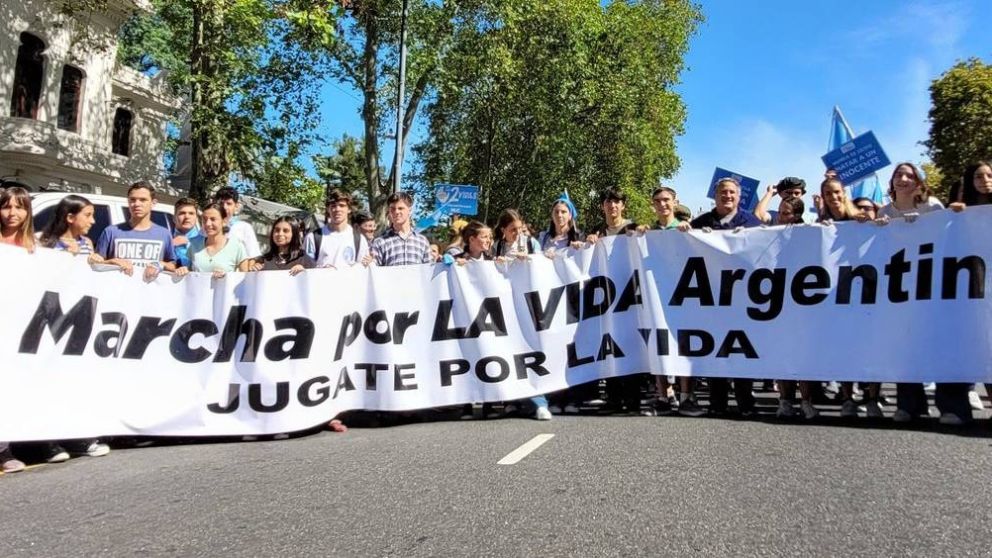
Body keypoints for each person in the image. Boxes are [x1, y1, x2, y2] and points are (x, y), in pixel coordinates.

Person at [878, 163, 968, 424]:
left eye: (909, 175)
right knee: (906, 346)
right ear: (892, 181)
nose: (903, 179)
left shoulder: (933, 207)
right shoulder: (885, 211)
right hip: (901, 290)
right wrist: (876, 226)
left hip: (934, 286)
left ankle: (952, 406)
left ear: (919, 182)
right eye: (898, 174)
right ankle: (909, 405)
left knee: (941, 345)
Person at [687, 178, 763, 416]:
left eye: (731, 192)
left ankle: (745, 401)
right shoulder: (700, 223)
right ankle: (717, 402)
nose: (727, 196)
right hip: (710, 299)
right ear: (715, 196)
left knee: (742, 349)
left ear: (739, 197)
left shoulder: (752, 223)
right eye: (722, 192)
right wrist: (686, 232)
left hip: (742, 298)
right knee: (714, 349)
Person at [816, 177, 881, 418]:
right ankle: (847, 398)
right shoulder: (823, 224)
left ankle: (872, 399)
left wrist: (878, 225)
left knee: (869, 346)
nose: (833, 197)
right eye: (828, 193)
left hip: (866, 291)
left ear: (844, 193)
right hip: (836, 294)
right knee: (844, 346)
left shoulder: (862, 219)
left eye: (836, 192)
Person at [586, 189, 649, 415]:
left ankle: (633, 400)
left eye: (617, 202)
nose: (612, 206)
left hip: (630, 297)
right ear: (603, 206)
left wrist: (644, 233)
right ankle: (613, 399)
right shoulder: (597, 231)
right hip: (606, 299)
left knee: (630, 345)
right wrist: (588, 242)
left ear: (623, 206)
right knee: (609, 346)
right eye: (608, 202)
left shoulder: (633, 229)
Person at [642, 187, 702, 416]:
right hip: (656, 296)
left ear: (675, 202)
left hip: (684, 297)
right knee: (659, 345)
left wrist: (692, 233)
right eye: (658, 200)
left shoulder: (684, 229)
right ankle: (664, 395)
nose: (662, 204)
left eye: (666, 200)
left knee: (684, 345)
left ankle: (687, 396)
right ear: (652, 204)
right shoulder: (649, 232)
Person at [946, 161, 992, 418]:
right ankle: (957, 406)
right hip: (969, 287)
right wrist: (954, 216)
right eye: (978, 176)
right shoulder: (962, 212)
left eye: (989, 175)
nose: (984, 179)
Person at [95, 181, 179, 280]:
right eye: (133, 200)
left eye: (143, 200)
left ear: (153, 203)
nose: (136, 204)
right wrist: (111, 262)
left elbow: (173, 266)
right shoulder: (111, 232)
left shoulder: (164, 234)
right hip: (118, 291)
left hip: (149, 292)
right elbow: (96, 264)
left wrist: (160, 264)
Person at [179, 203, 251, 277]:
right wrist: (183, 270)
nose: (208, 224)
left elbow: (245, 280)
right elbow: (188, 273)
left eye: (213, 219)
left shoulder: (237, 247)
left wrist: (226, 277)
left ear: (224, 221)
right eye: (205, 219)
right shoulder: (194, 244)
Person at [304, 189, 370, 268]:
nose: (337, 209)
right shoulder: (313, 238)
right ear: (328, 209)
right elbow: (307, 271)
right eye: (333, 206)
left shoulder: (359, 239)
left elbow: (362, 271)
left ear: (349, 209)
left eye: (342, 205)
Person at [370, 191, 433, 266]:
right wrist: (368, 264)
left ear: (410, 211)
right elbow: (373, 272)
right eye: (392, 209)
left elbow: (429, 271)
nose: (396, 212)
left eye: (400, 208)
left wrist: (443, 264)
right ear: (389, 211)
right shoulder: (380, 242)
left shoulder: (422, 242)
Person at [247, 216, 316, 274]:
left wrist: (305, 272)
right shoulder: (263, 260)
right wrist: (254, 272)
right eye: (277, 230)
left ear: (294, 234)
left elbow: (316, 283)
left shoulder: (305, 260)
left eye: (285, 231)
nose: (280, 234)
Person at [213, 187, 262, 259]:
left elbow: (253, 257)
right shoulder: (208, 226)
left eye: (229, 204)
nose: (224, 207)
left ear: (236, 206)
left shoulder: (244, 228)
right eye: (221, 203)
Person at [0, 186, 35, 251]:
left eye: (19, 207)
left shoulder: (35, 245)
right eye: (7, 207)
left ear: (28, 212)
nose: (12, 213)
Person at [171, 198, 201, 269]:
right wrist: (170, 244)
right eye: (182, 213)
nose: (187, 217)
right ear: (174, 218)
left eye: (191, 213)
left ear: (196, 218)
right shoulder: (165, 237)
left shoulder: (205, 241)